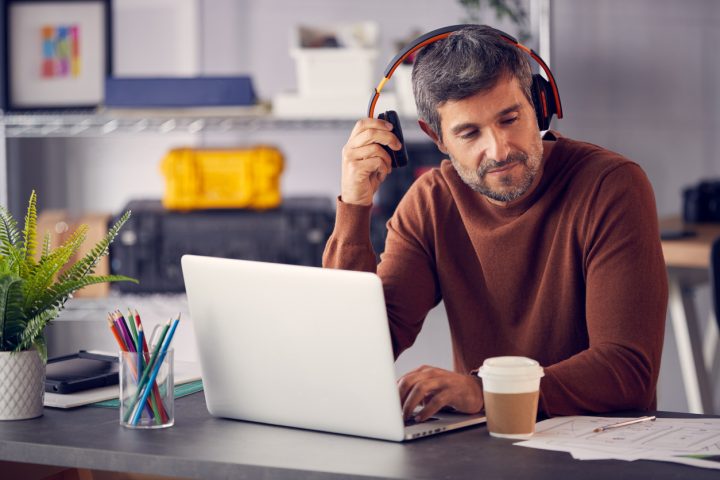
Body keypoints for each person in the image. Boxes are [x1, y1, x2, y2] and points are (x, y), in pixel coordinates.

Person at [322, 25, 668, 423]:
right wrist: (354, 205)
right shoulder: (432, 203)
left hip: (600, 449)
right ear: (436, 137)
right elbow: (355, 350)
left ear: (539, 105)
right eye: (469, 133)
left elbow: (627, 371)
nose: (499, 149)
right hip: (484, 450)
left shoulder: (611, 185)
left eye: (510, 118)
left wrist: (487, 389)